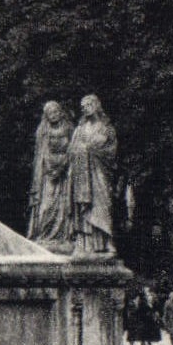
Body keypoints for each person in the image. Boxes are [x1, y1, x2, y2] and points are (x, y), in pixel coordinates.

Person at [68, 94, 118, 255]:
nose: (84, 108)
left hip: (99, 172)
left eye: (88, 104)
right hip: (83, 175)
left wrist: (91, 150)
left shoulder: (106, 128)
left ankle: (107, 240)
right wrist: (82, 150)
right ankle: (85, 243)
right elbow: (71, 151)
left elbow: (111, 151)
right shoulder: (79, 130)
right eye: (82, 106)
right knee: (85, 209)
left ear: (96, 105)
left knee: (103, 204)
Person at [26, 101, 74, 249]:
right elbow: (41, 154)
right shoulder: (43, 130)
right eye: (50, 113)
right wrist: (51, 169)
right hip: (48, 175)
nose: (53, 115)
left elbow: (73, 150)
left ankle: (63, 237)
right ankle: (43, 235)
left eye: (56, 112)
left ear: (60, 112)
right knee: (46, 207)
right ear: (46, 116)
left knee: (64, 207)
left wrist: (63, 166)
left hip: (65, 173)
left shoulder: (69, 128)